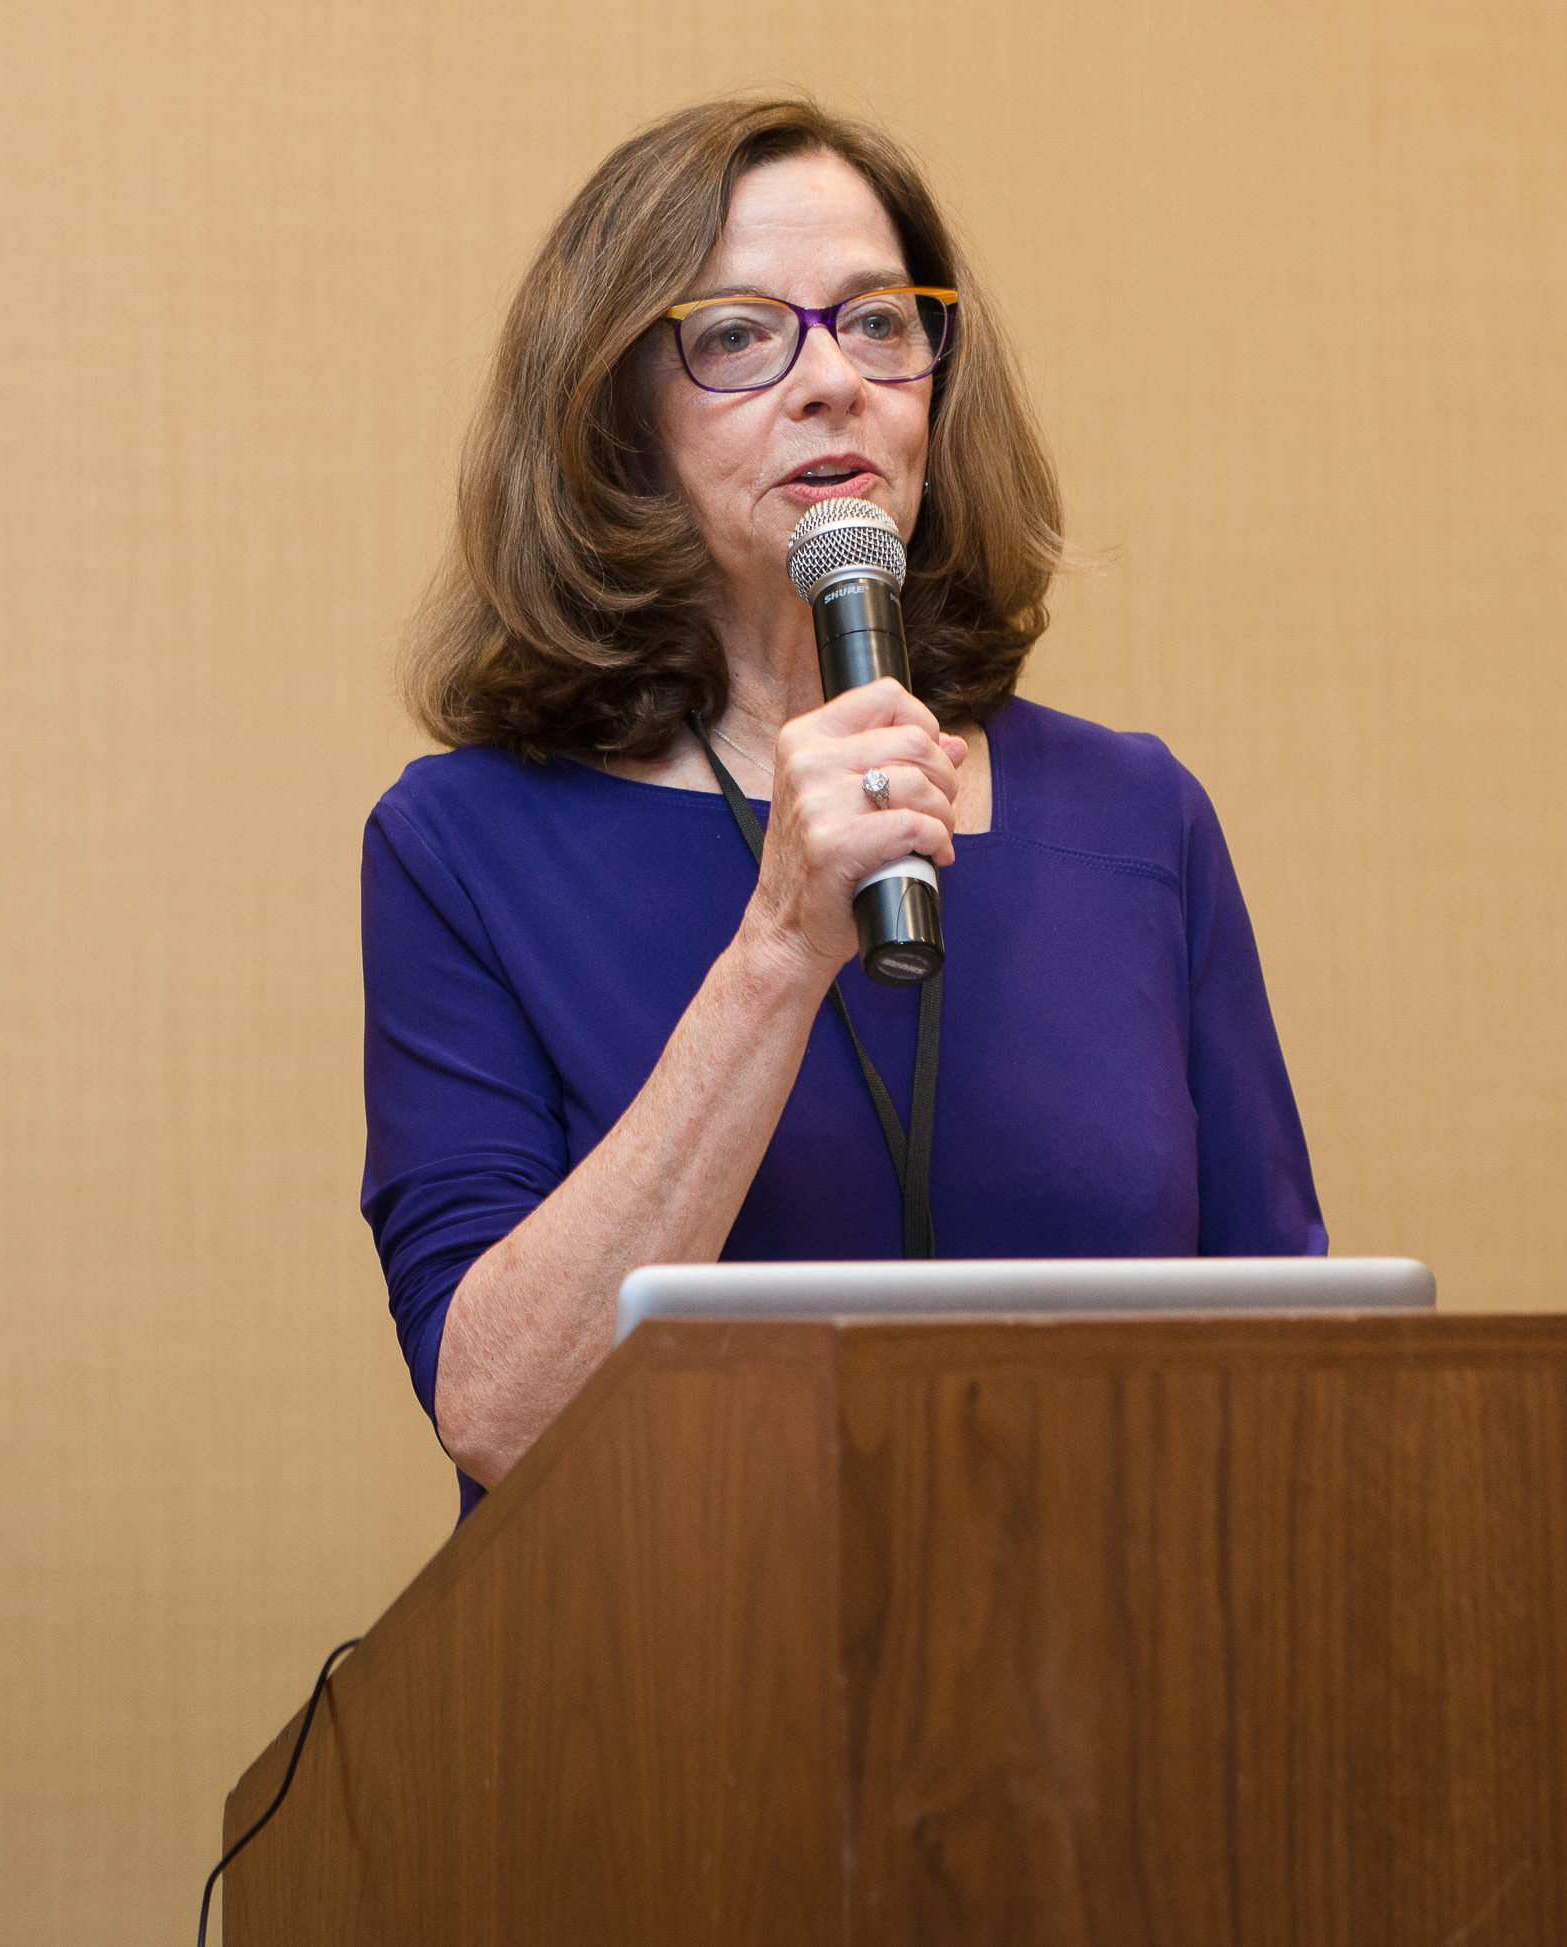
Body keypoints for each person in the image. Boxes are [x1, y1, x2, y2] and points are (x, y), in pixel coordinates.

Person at [363, 98, 1324, 1516]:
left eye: (880, 323)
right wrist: (777, 952)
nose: (835, 384)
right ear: (616, 412)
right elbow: (500, 1413)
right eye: (741, 333)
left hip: (1110, 1689)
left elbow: (1301, 1372)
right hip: (674, 1692)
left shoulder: (1138, 817)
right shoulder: (465, 845)